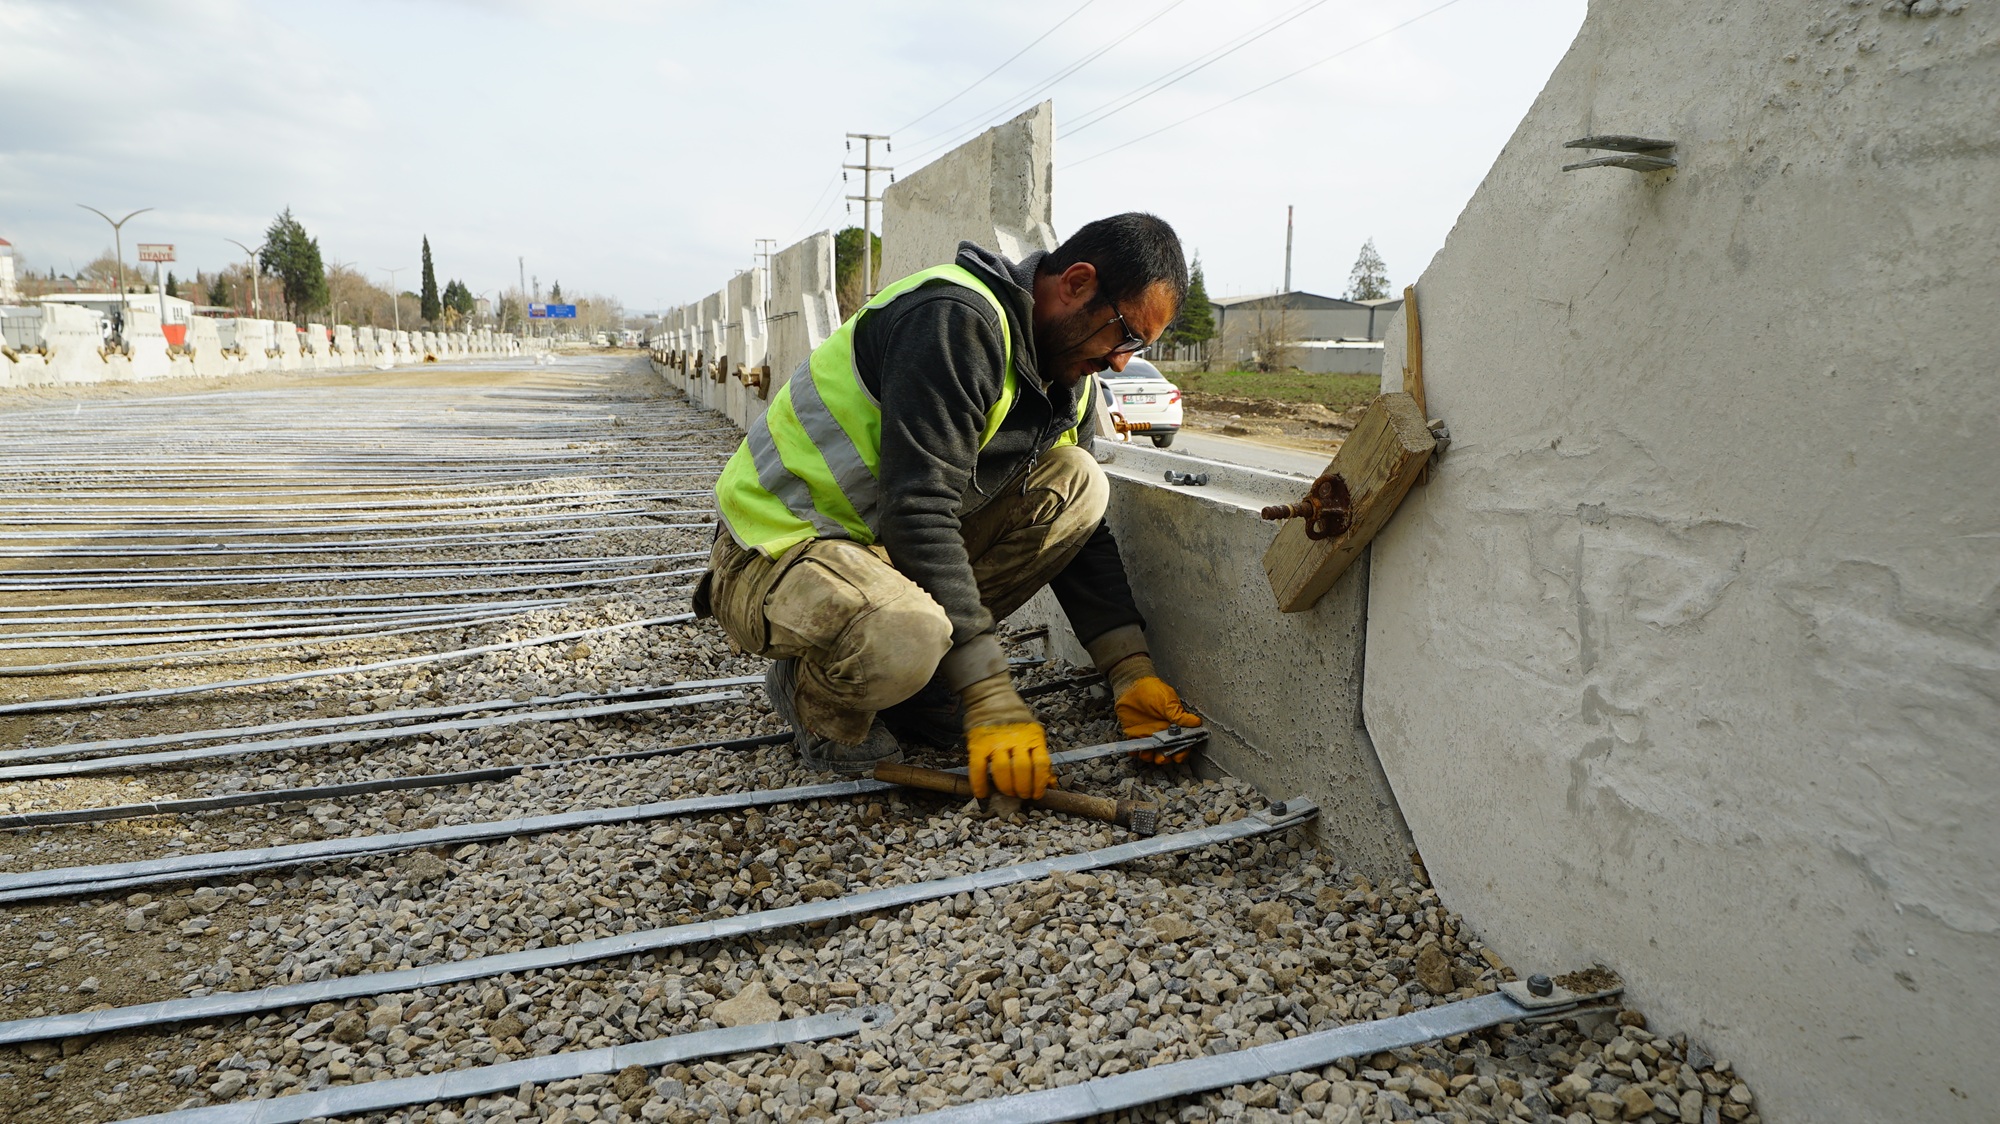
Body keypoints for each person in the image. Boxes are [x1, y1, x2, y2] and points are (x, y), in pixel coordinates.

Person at [695, 212, 1202, 800]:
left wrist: (1129, 669)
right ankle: (815, 697)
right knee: (901, 636)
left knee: (1080, 481)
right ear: (1077, 283)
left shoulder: (1068, 377)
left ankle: (916, 681)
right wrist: (989, 691)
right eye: (1126, 335)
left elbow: (1080, 537)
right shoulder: (953, 320)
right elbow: (920, 509)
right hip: (775, 548)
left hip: (879, 552)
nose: (1122, 361)